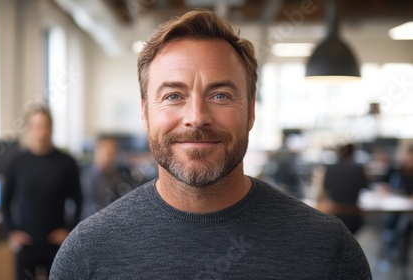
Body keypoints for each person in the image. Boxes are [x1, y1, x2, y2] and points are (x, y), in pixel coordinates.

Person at [50, 9, 371, 279]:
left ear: (251, 112)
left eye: (220, 95)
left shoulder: (328, 249)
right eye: (173, 96)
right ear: (145, 114)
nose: (197, 117)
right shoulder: (87, 253)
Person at [2, 104, 83, 280]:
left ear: (51, 128)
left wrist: (69, 230)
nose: (42, 131)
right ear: (29, 129)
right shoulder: (17, 163)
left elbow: (78, 199)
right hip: (26, 244)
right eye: (37, 126)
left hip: (56, 243)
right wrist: (11, 231)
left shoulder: (66, 162)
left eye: (46, 126)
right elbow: (4, 200)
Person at [80, 135, 135, 219]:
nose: (110, 155)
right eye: (107, 151)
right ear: (97, 151)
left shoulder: (121, 175)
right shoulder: (88, 177)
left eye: (113, 152)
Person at [320, 144, 368, 234]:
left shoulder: (330, 169)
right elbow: (364, 187)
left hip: (334, 214)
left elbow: (325, 190)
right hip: (354, 215)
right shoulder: (358, 169)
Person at [381, 146, 413, 264]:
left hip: (408, 209)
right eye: (408, 158)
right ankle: (393, 247)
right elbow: (384, 184)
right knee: (395, 221)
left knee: (404, 223)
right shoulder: (396, 170)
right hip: (394, 205)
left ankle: (400, 253)